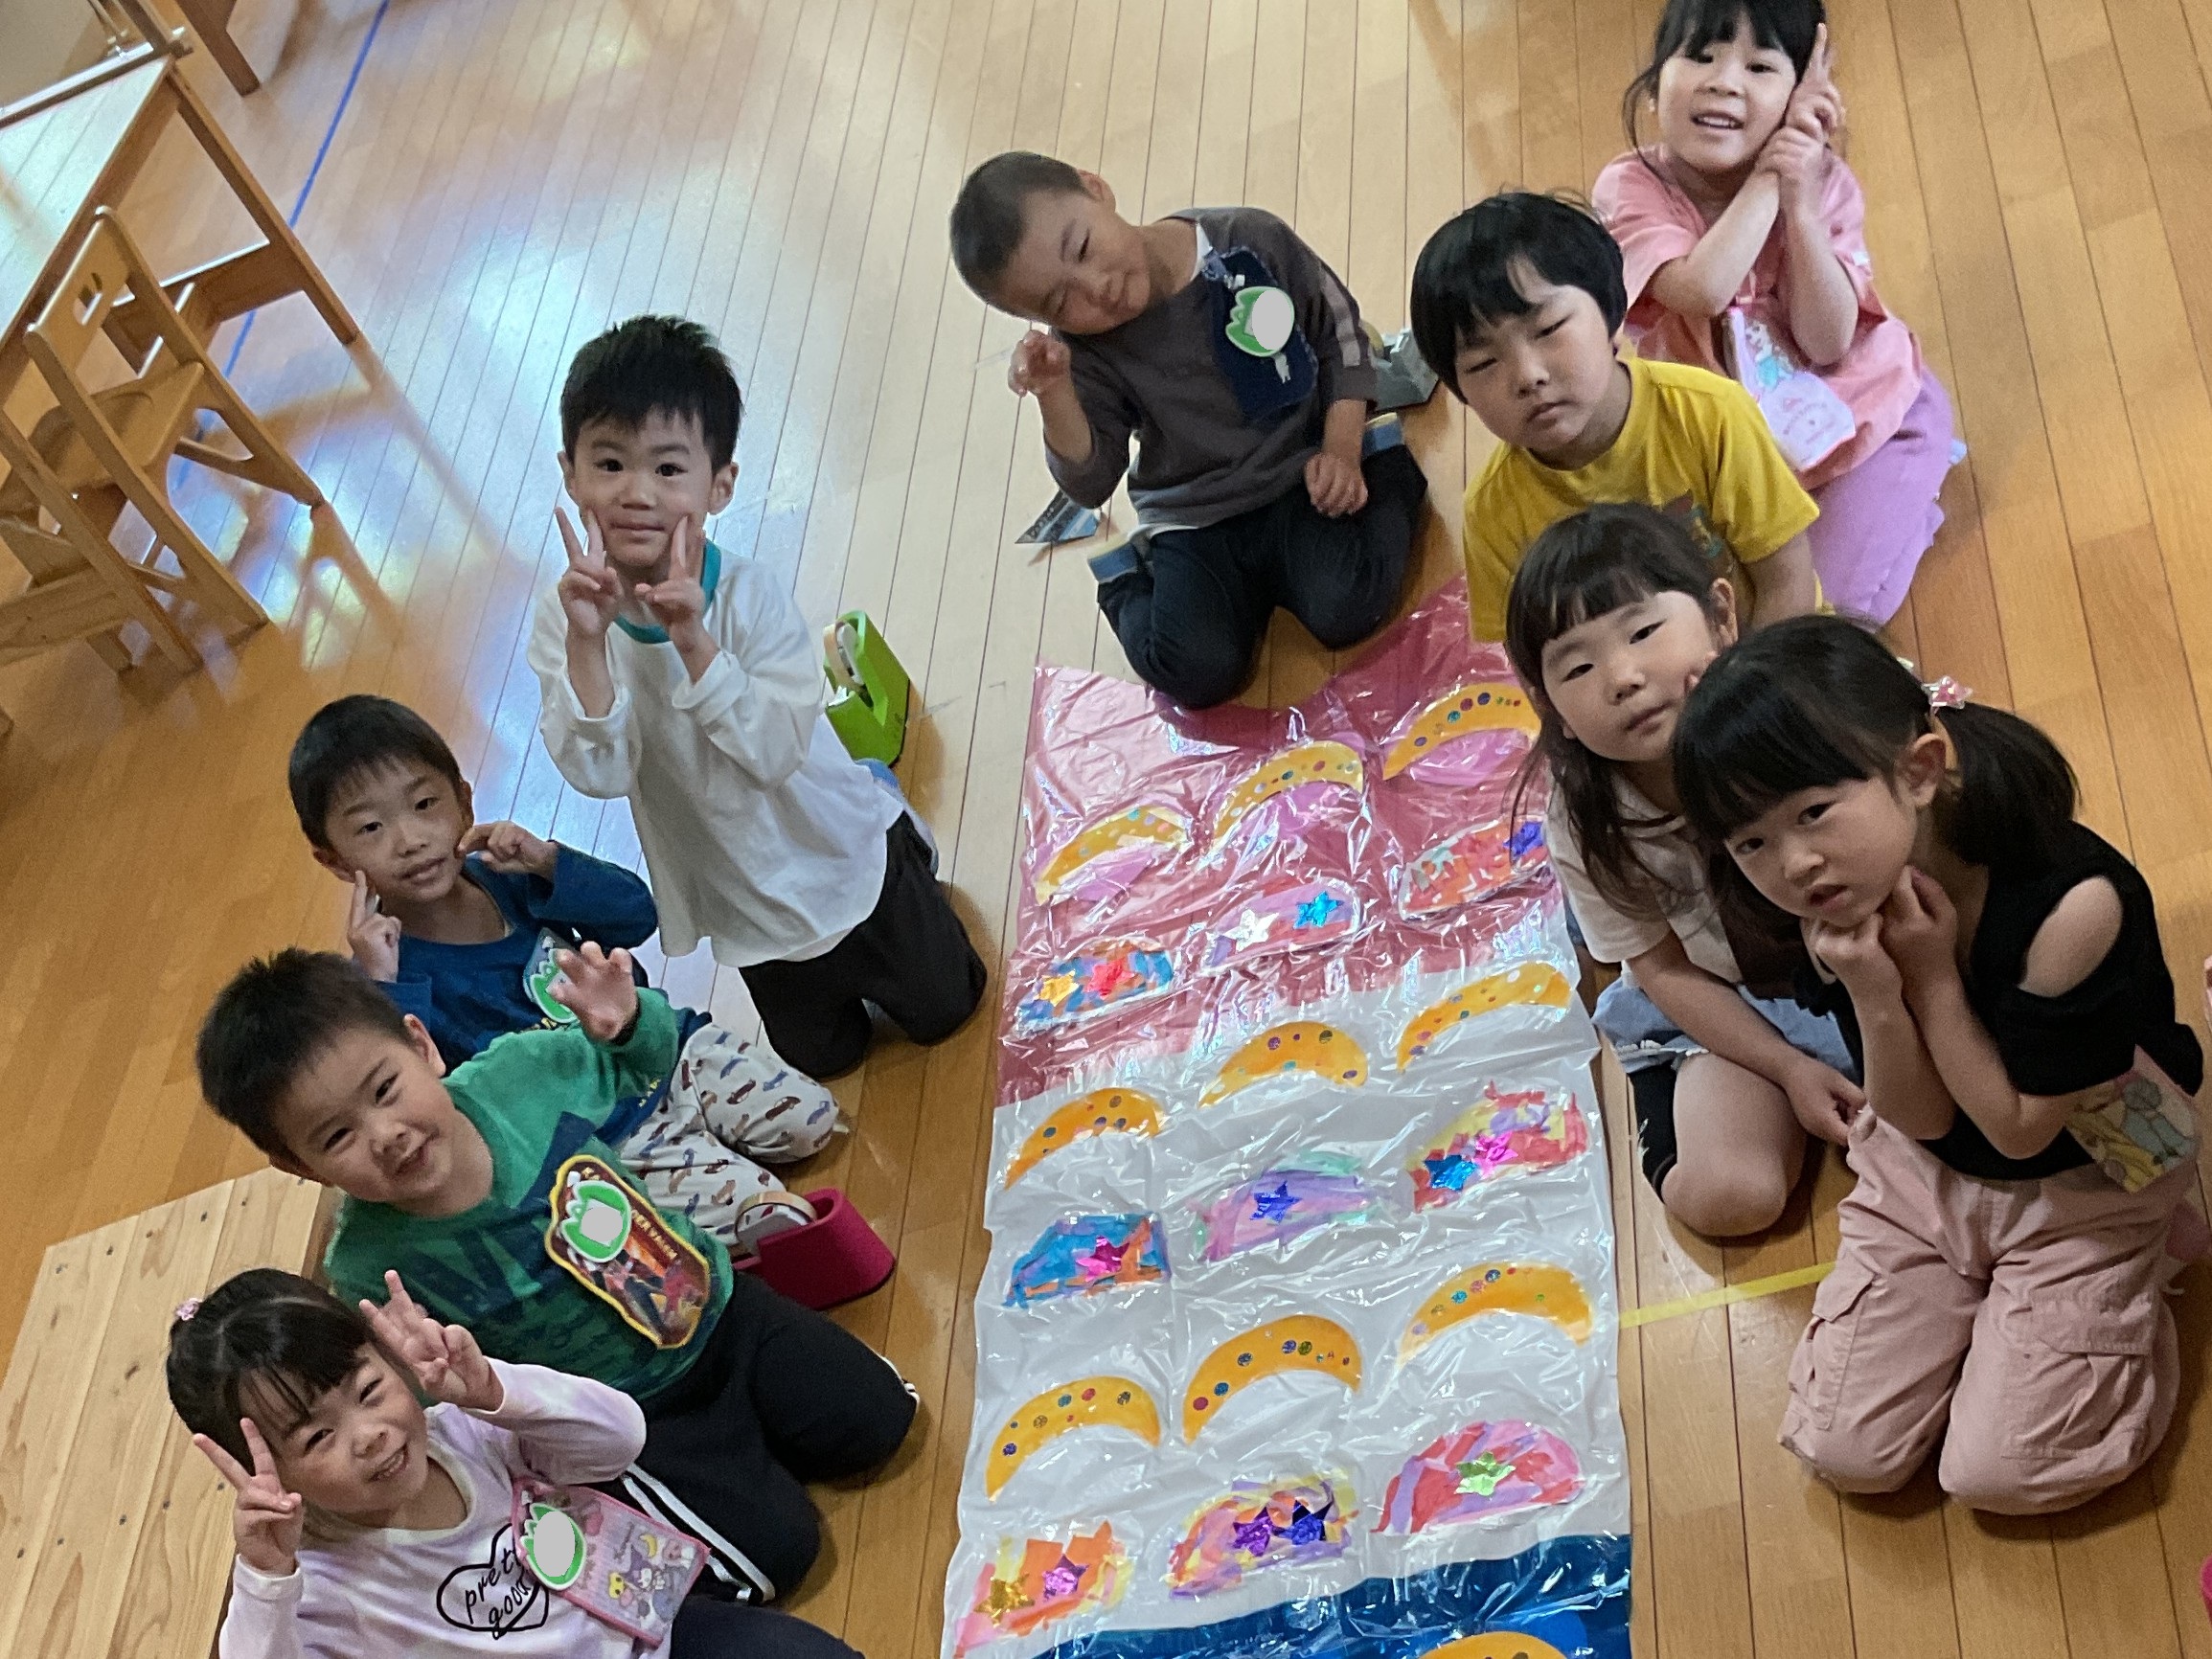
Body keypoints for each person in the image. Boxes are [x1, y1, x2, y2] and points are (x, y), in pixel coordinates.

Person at [1672, 615, 2203, 1513]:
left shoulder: (2070, 902)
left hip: (2090, 1155)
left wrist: (1928, 979)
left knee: (1999, 1473)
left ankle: (2143, 1260)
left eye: (1812, 812)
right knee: (1845, 1451)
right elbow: (1919, 1121)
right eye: (1750, 841)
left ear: (1918, 771)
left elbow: (2020, 1129)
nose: (1792, 864)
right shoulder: (1831, 896)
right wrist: (1875, 995)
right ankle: (2023, 1311)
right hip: (1929, 1164)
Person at [194, 948, 918, 1598]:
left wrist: (629, 1020)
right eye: (336, 1136)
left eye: (385, 1089)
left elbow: (639, 1066)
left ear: (421, 1045)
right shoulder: (363, 1268)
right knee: (779, 1555)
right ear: (298, 1166)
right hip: (630, 1423)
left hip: (724, 1312)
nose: (386, 1135)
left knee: (881, 1421)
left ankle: (773, 1436)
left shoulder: (521, 1073)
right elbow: (414, 1398)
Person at [527, 314, 986, 1079]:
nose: (636, 493)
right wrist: (586, 645)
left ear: (719, 485)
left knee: (949, 1011)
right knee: (826, 1059)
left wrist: (693, 643)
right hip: (740, 901)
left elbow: (772, 755)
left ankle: (893, 823)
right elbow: (600, 775)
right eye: (609, 463)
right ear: (570, 473)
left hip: (840, 856)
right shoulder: (565, 619)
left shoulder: (748, 595)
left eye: (668, 468)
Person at [287, 693, 838, 1230]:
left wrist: (550, 863)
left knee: (812, 1120)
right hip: (602, 1134)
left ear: (464, 801)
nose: (409, 840)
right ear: (333, 861)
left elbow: (636, 917)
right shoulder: (385, 980)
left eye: (425, 805)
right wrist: (384, 986)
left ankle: (712, 1156)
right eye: (370, 828)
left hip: (664, 1046)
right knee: (766, 1212)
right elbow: (438, 1101)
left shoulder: (509, 874)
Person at [169, 1268, 864, 1657]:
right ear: (262, 1467)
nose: (369, 1435)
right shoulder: (316, 1583)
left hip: (654, 1637)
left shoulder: (466, 1433)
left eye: (369, 1390)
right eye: (317, 1438)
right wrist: (264, 1577)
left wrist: (496, 1392)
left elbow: (619, 1439)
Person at [947, 150, 1428, 709]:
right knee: (1195, 670)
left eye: (1081, 248)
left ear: (1095, 188)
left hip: (1297, 473)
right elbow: (1091, 482)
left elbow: (1338, 332)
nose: (1095, 288)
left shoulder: (1245, 240)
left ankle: (1381, 457)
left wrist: (1342, 448)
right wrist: (1054, 393)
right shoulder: (1080, 353)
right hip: (1194, 512)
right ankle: (1125, 580)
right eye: (1060, 302)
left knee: (1349, 605)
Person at [1504, 504, 1859, 1236]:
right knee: (1730, 1195)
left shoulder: (1802, 710)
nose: (1623, 677)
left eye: (1641, 632)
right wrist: (1786, 1068)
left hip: (1864, 963)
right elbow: (1665, 970)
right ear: (1551, 707)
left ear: (1720, 616)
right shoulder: (1584, 817)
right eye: (1578, 667)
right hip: (1728, 997)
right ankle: (1665, 1079)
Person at [1596, 0, 1954, 622]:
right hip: (1732, 451)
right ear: (1653, 86)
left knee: (1826, 611)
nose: (1724, 82)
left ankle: (1912, 487)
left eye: (1760, 67)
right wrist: (1769, 176)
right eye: (1700, 56)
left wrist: (1801, 207)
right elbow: (1701, 289)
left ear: (1796, 101)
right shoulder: (1631, 185)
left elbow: (1827, 343)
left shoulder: (1823, 182)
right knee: (1711, 609)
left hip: (1863, 420)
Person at [1407, 190, 1821, 643]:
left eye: (1548, 329)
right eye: (1484, 363)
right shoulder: (1493, 513)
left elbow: (1787, 582)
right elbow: (1533, 656)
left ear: (1613, 317)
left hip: (1766, 654)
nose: (1527, 376)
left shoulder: (1710, 414)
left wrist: (1742, 685)